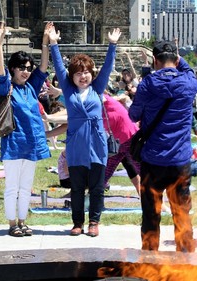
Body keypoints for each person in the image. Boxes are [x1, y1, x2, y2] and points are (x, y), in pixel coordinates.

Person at [49, 24, 121, 237]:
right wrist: (53, 43)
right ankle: (78, 223)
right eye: (79, 73)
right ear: (72, 76)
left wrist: (112, 45)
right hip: (76, 145)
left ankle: (94, 222)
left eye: (87, 72)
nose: (83, 76)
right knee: (77, 187)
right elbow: (60, 67)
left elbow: (108, 67)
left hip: (97, 145)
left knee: (97, 187)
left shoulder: (97, 89)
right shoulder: (69, 89)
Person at [128, 40, 197, 253]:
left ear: (155, 61)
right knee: (182, 214)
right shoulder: (189, 82)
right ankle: (186, 262)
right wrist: (177, 55)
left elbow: (133, 115)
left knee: (150, 215)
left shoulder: (147, 84)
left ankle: (149, 260)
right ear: (176, 59)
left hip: (153, 159)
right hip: (180, 160)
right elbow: (187, 68)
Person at [0, 21, 52, 237]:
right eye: (21, 68)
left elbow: (43, 67)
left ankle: (23, 221)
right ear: (13, 69)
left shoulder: (31, 88)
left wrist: (45, 41)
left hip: (32, 144)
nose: (26, 71)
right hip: (14, 144)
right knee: (12, 188)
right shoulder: (7, 87)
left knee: (26, 188)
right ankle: (12, 224)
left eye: (28, 68)